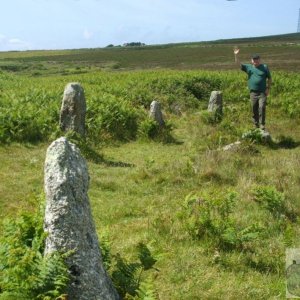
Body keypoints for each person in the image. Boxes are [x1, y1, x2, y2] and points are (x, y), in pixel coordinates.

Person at [234, 47, 272, 130]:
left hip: (262, 92)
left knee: (262, 107)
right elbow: (238, 64)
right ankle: (256, 124)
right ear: (251, 60)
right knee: (254, 108)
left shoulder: (265, 67)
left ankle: (262, 124)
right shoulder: (249, 67)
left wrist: (268, 88)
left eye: (257, 59)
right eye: (254, 59)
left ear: (260, 60)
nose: (255, 61)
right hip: (253, 92)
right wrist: (236, 55)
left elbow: (269, 78)